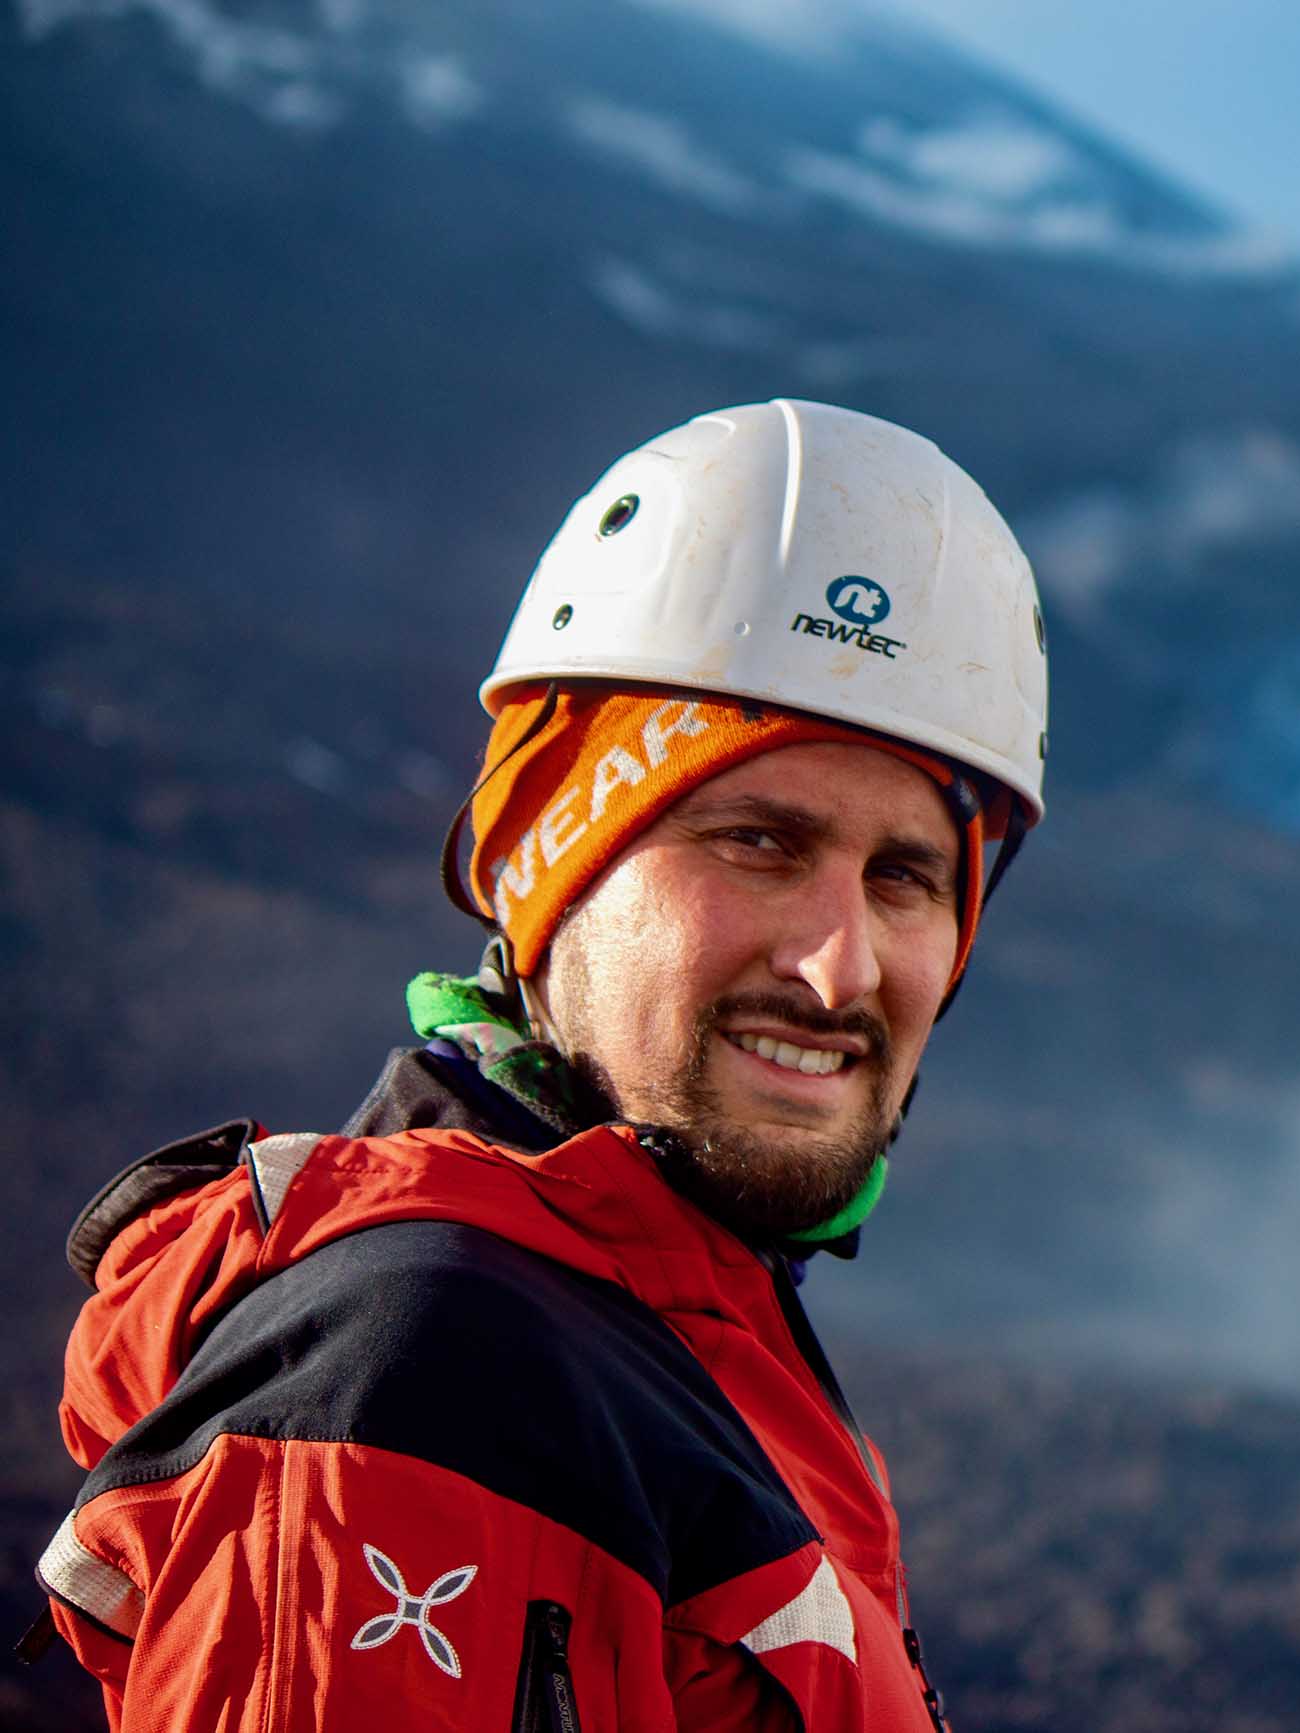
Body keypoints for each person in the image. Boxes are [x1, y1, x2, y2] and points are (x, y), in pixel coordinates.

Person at [30, 400, 1050, 1730]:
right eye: (759, 842)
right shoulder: (437, 1368)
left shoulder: (668, 1335)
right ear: (542, 865)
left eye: (905, 876)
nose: (840, 965)